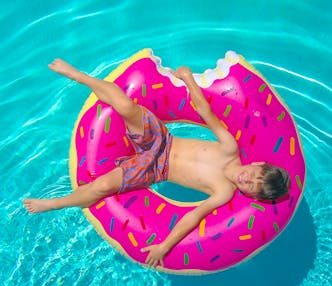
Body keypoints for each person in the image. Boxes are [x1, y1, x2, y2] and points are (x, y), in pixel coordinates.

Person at [23, 58, 290, 268]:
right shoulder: (230, 148)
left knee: (103, 185)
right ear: (258, 163)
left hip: (154, 170)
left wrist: (166, 246)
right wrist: (188, 79)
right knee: (126, 106)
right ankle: (79, 76)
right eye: (255, 175)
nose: (247, 179)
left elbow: (193, 216)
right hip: (162, 140)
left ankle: (53, 203)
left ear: (249, 195)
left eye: (252, 187)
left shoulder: (223, 192)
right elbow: (205, 112)